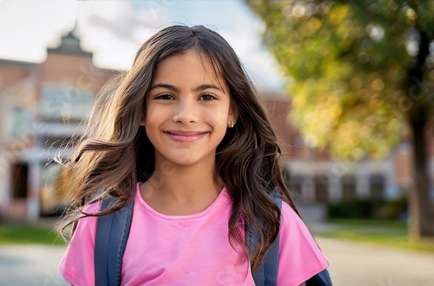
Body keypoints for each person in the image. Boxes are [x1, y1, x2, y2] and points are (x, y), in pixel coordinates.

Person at [58, 25, 329, 286]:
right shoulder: (100, 224)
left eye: (207, 97)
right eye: (165, 96)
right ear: (140, 110)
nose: (185, 115)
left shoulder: (272, 223)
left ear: (232, 112)